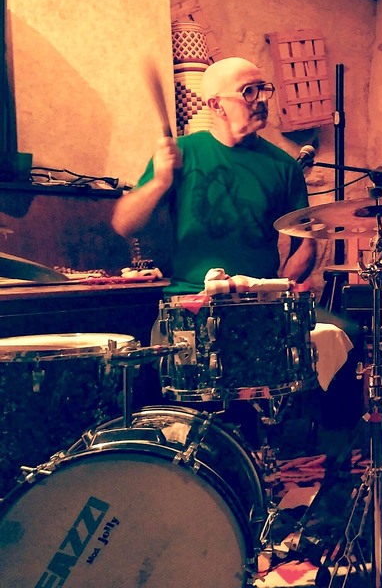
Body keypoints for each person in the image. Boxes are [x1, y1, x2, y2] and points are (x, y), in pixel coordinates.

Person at [112, 57, 361, 441]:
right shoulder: (184, 153)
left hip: (259, 304)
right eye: (248, 91)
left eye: (264, 89)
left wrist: (280, 288)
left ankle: (337, 458)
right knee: (159, 389)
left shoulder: (283, 167)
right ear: (216, 104)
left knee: (350, 334)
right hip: (191, 302)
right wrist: (159, 182)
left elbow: (305, 246)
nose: (261, 99)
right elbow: (124, 223)